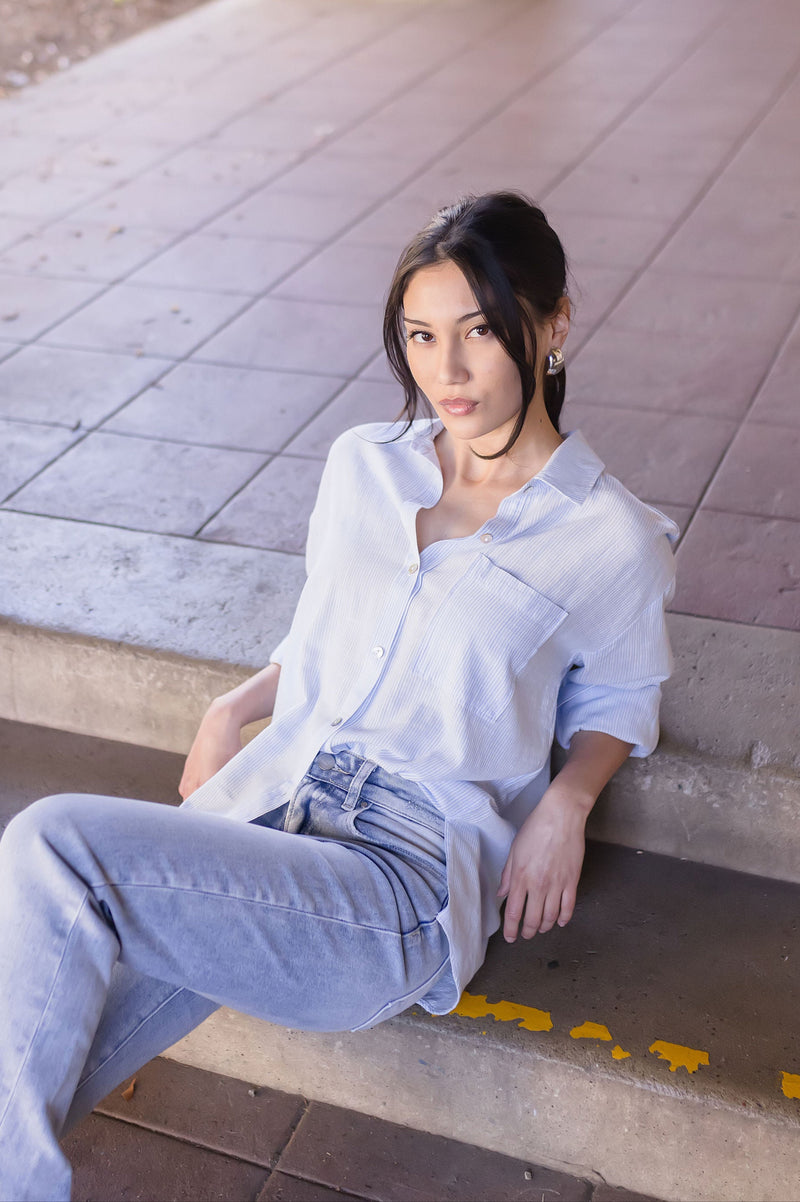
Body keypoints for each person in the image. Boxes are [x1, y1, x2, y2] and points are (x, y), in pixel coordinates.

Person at [0, 191, 677, 1201]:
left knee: (50, 848)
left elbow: (621, 694)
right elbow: (330, 627)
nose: (442, 372)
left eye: (478, 332)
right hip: (272, 812)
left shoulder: (607, 535)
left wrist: (567, 801)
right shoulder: (363, 464)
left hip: (395, 879)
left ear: (552, 324)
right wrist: (235, 703)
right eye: (418, 335)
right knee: (43, 1034)